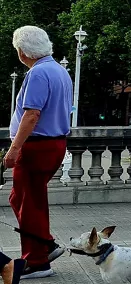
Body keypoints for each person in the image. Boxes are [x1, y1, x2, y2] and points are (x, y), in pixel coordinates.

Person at [7, 26, 70, 279]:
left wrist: (14, 149)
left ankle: (37, 261)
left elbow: (31, 115)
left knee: (27, 203)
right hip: (54, 143)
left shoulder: (38, 73)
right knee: (25, 199)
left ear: (22, 52)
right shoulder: (60, 71)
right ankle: (45, 245)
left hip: (36, 146)